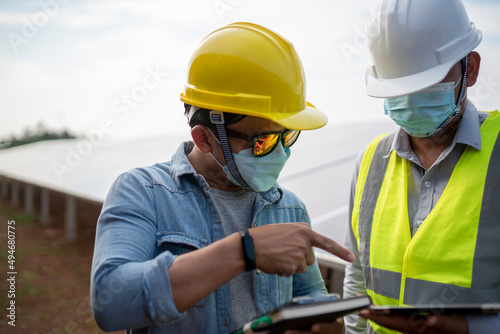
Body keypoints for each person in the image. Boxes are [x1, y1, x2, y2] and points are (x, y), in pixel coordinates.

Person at [90, 22, 354, 334]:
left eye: (288, 136)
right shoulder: (142, 192)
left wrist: (323, 322)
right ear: (204, 138)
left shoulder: (290, 208)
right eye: (262, 142)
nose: (281, 154)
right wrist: (244, 251)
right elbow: (111, 303)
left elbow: (309, 296)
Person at [342, 0, 500, 333]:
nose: (411, 99)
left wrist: (471, 329)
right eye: (400, 89)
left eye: (426, 84)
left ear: (469, 69)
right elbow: (358, 278)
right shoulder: (369, 162)